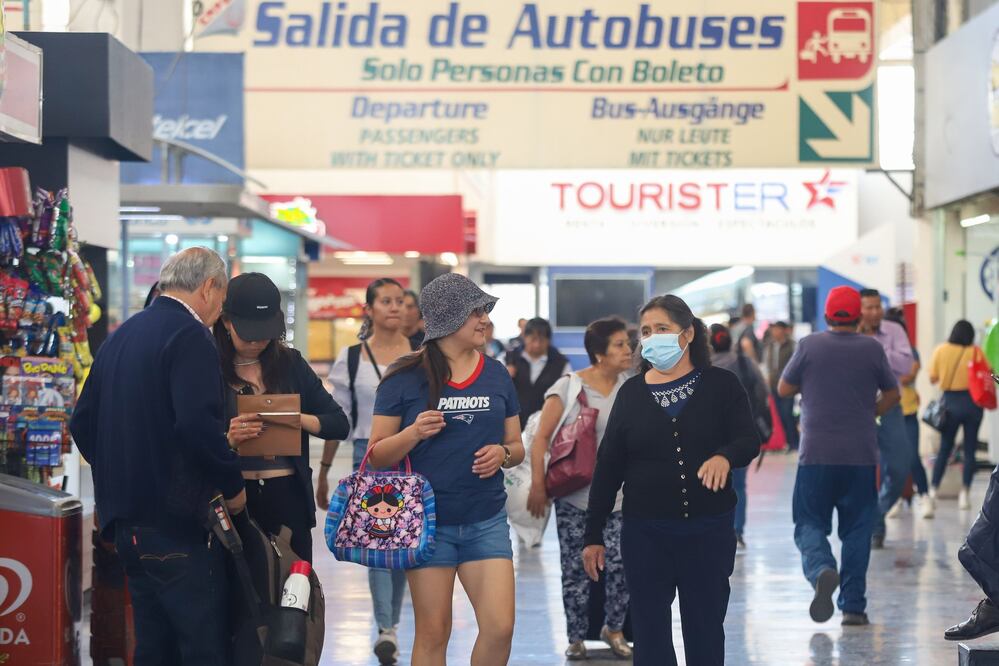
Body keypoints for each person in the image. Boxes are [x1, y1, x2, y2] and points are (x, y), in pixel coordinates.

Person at [70, 247, 247, 664]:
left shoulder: (123, 335)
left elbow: (81, 422)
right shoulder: (190, 336)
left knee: (153, 644)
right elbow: (197, 426)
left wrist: (119, 473)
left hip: (126, 524)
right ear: (208, 288)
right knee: (202, 643)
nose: (220, 311)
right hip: (176, 521)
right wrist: (232, 484)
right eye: (221, 299)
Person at [583, 295, 760, 666]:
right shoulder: (631, 393)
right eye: (646, 331)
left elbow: (748, 440)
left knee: (705, 628)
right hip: (645, 533)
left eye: (661, 328)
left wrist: (724, 456)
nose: (651, 338)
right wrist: (593, 535)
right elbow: (609, 465)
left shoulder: (721, 385)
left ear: (688, 333)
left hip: (708, 531)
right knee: (650, 634)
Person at [367, 273, 526, 666]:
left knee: (500, 627)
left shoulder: (496, 374)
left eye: (484, 311)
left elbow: (518, 447)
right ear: (447, 319)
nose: (484, 320)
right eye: (476, 312)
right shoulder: (404, 378)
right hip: (427, 523)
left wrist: (502, 454)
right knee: (434, 632)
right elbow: (376, 455)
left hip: (485, 519)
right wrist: (413, 433)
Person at [778, 286, 900, 627]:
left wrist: (814, 387)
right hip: (861, 454)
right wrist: (870, 410)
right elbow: (893, 393)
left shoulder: (809, 345)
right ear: (859, 316)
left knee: (809, 523)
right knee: (858, 531)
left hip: (816, 454)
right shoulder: (872, 348)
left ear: (827, 315)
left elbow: (783, 388)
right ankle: (854, 608)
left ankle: (821, 569)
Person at [213, 272, 349, 563]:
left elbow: (338, 423)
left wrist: (295, 418)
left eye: (266, 333)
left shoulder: (289, 364)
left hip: (287, 496)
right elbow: (193, 437)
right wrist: (229, 439)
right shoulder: (209, 367)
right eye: (248, 333)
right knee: (241, 596)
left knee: (294, 595)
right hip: (233, 497)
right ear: (226, 322)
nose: (258, 342)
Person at [319, 277, 415, 664]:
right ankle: (386, 627)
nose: (395, 308)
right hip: (369, 454)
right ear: (370, 309)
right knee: (378, 542)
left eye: (401, 302)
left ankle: (389, 623)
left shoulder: (422, 354)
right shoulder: (352, 358)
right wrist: (323, 469)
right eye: (387, 302)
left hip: (412, 455)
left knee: (406, 544)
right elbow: (336, 418)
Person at [526, 317, 634, 661]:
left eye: (627, 343)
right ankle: (576, 637)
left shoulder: (631, 387)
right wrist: (538, 486)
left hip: (620, 499)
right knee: (574, 569)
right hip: (576, 497)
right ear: (599, 353)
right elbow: (541, 438)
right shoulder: (569, 387)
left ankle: (614, 628)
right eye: (619, 344)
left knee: (622, 566)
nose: (628, 350)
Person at [857, 289, 915, 549]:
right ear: (859, 310)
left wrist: (874, 347)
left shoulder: (894, 331)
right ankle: (874, 528)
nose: (874, 312)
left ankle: (877, 514)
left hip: (890, 407)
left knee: (901, 466)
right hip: (858, 410)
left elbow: (906, 364)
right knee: (865, 473)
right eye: (868, 307)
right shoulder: (848, 334)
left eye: (877, 306)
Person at [709, 323, 770, 549]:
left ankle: (716, 529)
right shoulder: (745, 363)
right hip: (741, 433)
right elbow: (763, 392)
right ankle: (737, 531)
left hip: (710, 436)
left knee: (710, 482)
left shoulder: (702, 367)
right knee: (739, 485)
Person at [929, 319, 987, 510]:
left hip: (950, 405)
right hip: (972, 405)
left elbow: (932, 377)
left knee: (945, 449)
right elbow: (987, 374)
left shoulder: (941, 350)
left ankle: (933, 491)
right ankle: (965, 494)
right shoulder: (976, 352)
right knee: (970, 450)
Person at [883, 308, 934, 519]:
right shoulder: (875, 347)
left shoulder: (911, 351)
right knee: (888, 461)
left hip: (908, 410)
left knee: (912, 456)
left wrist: (889, 371)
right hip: (885, 410)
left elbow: (908, 374)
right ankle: (893, 499)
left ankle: (924, 495)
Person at [506, 317, 571, 429]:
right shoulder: (509, 359)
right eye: (533, 339)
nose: (536, 345)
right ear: (524, 337)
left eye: (541, 340)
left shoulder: (561, 363)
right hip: (512, 425)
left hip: (546, 426)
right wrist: (506, 377)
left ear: (548, 340)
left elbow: (567, 396)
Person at [764, 321, 799, 451]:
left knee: (787, 414)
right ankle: (788, 442)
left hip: (787, 386)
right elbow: (767, 365)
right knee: (779, 415)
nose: (775, 332)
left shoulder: (792, 345)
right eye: (773, 329)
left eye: (777, 329)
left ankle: (794, 443)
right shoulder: (770, 346)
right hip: (773, 385)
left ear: (784, 330)